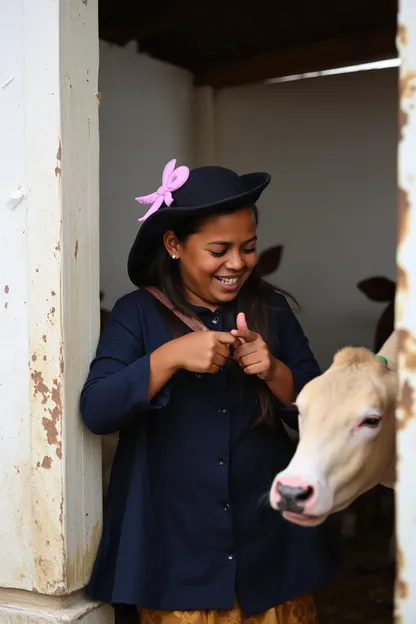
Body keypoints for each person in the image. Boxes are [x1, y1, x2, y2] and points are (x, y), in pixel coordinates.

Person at [80, 159, 339, 624]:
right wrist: (169, 357)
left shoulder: (271, 309)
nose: (237, 264)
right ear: (175, 245)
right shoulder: (135, 313)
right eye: (219, 250)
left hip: (266, 550)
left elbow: (322, 417)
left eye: (248, 248)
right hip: (171, 552)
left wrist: (275, 371)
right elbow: (97, 409)